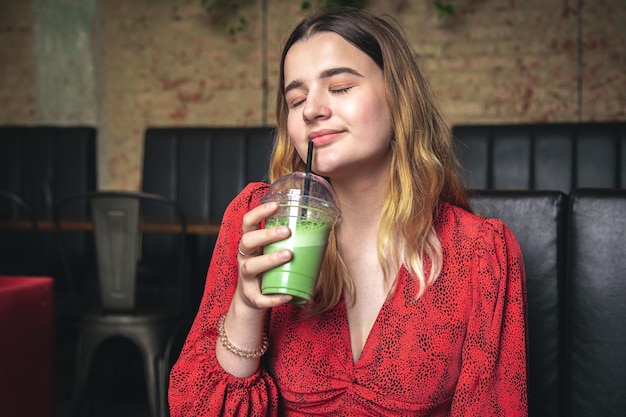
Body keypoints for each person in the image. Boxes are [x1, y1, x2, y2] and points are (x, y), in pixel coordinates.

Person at [168, 7, 528, 416]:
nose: (311, 110)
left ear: (399, 96)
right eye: (296, 98)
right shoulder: (261, 219)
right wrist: (246, 309)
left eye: (339, 87)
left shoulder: (480, 253)